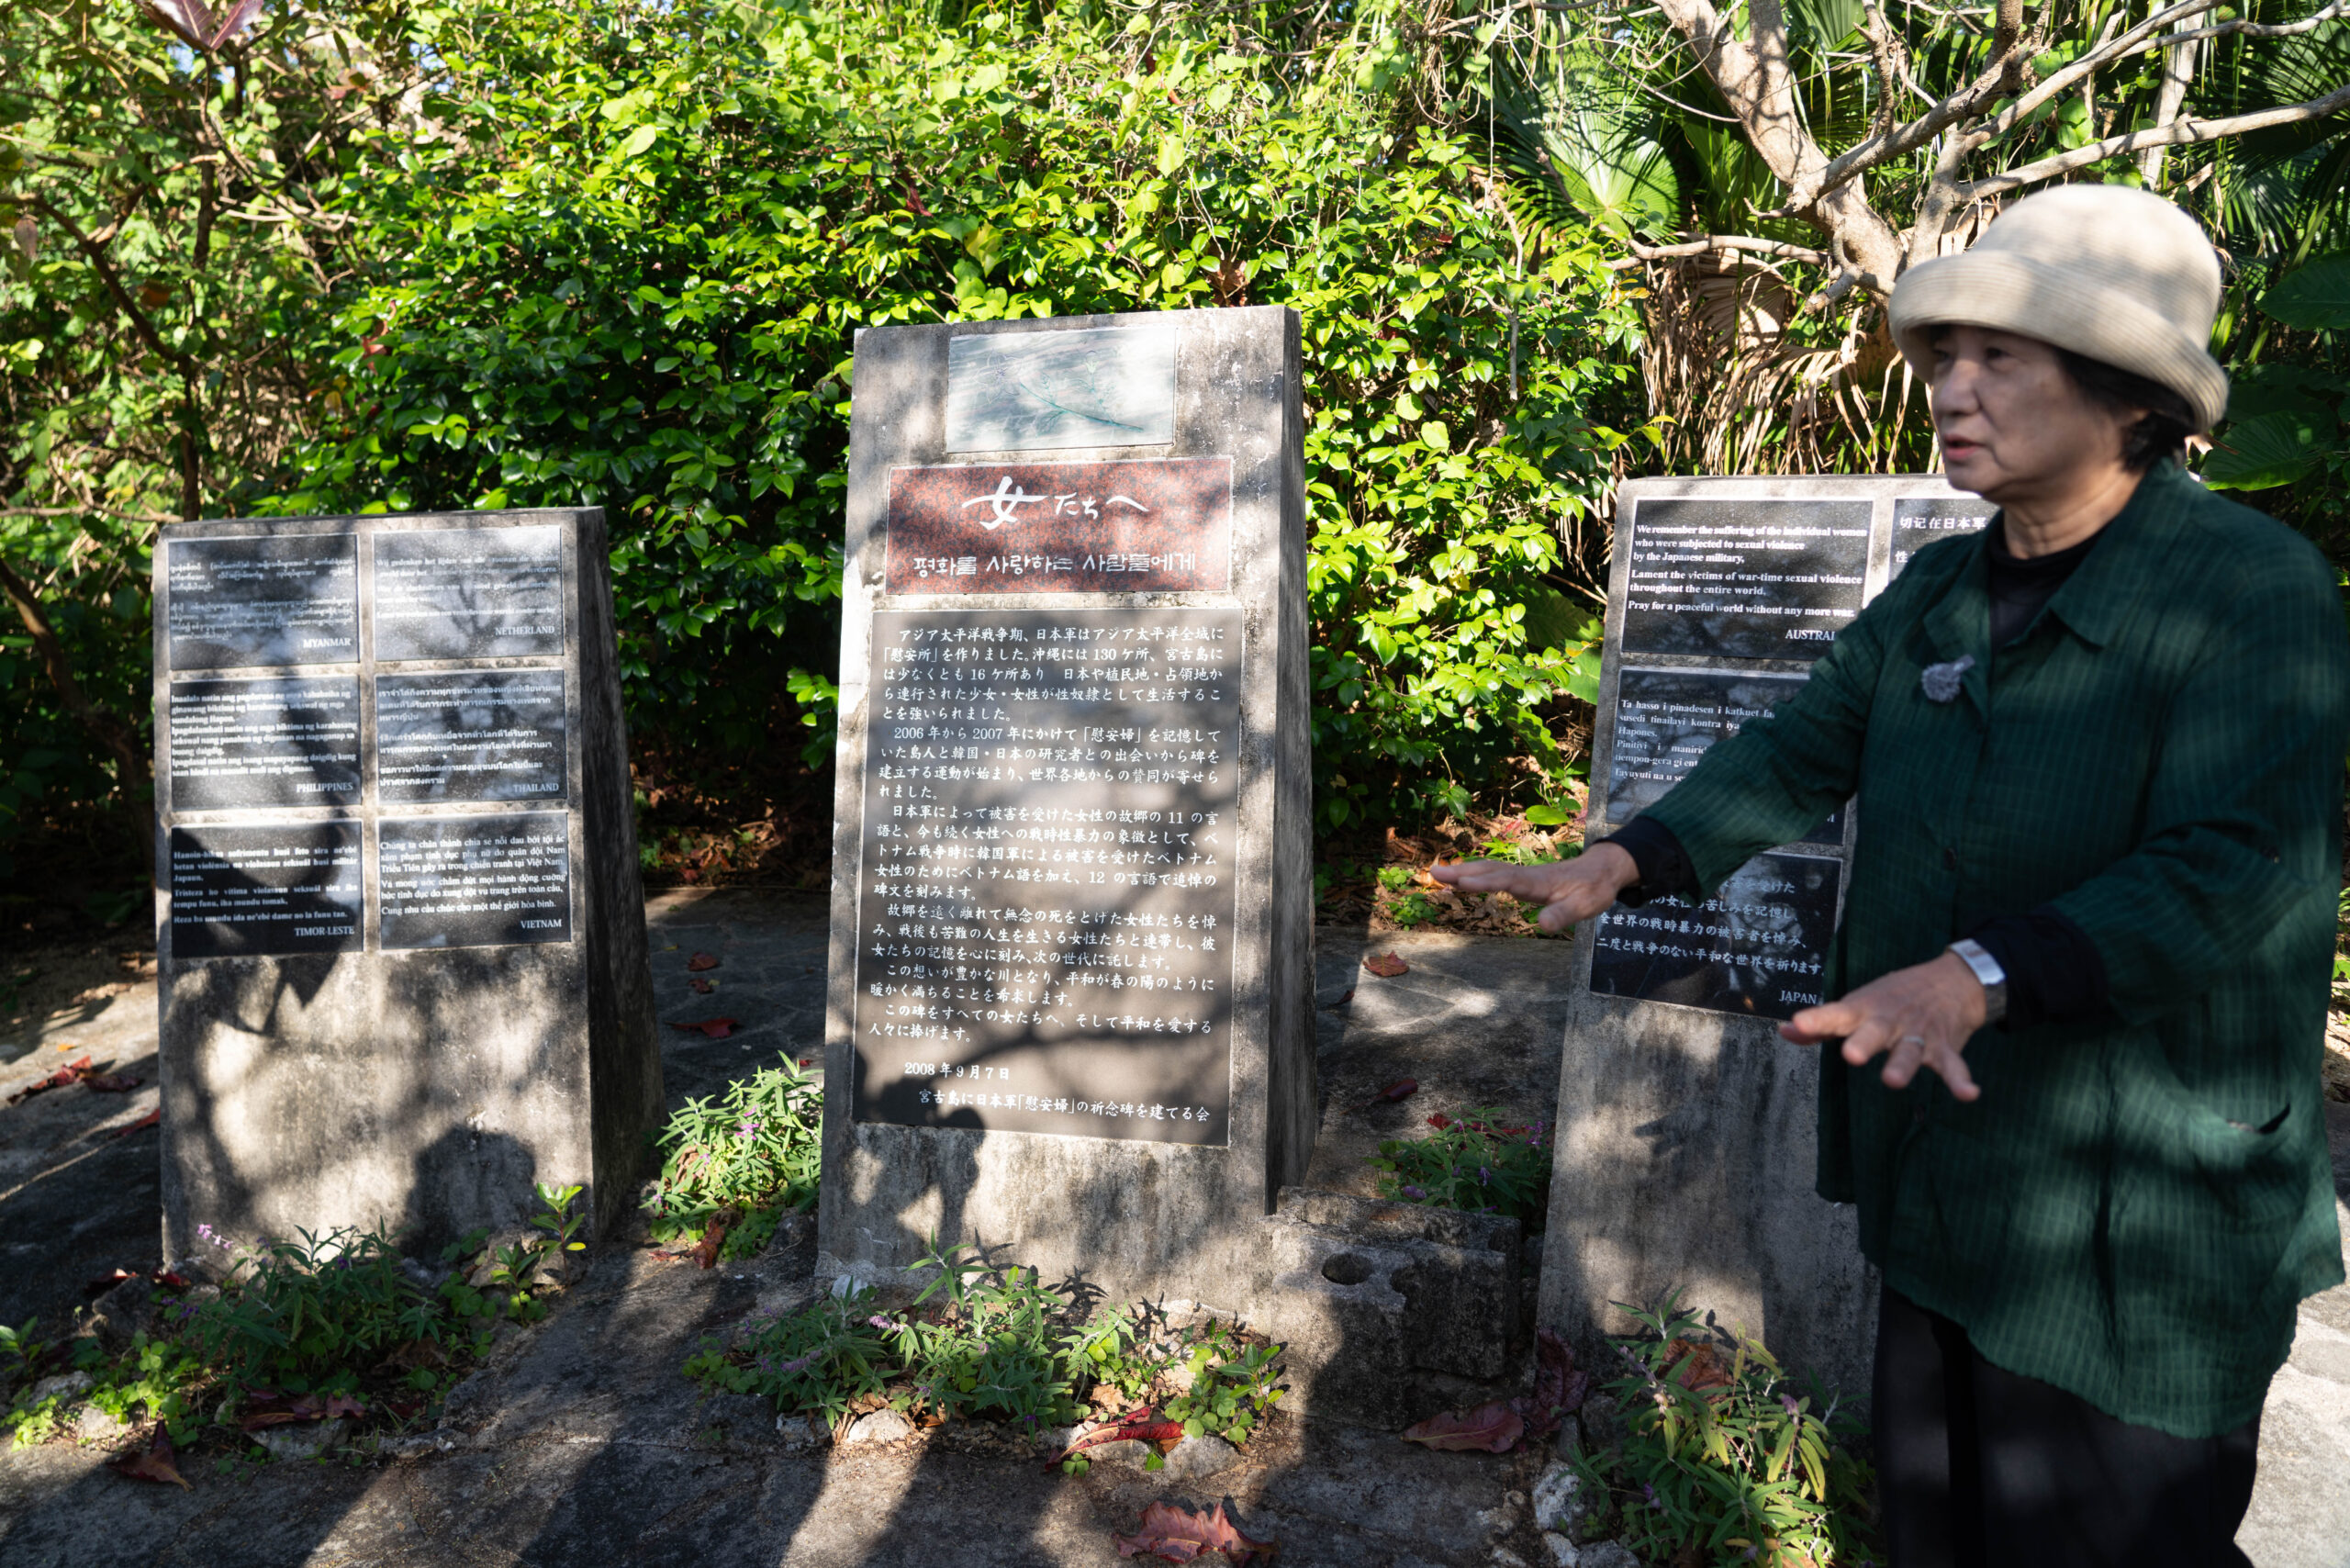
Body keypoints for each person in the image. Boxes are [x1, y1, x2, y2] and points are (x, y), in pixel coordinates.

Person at [1434, 184, 2350, 1567]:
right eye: (1943, 358)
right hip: (1950, 1179)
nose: (1951, 391)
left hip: (2140, 1220)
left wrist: (1981, 974)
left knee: (2113, 1539)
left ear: (2130, 398)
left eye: (2001, 361)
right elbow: (1808, 747)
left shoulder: (2247, 589)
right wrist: (1627, 856)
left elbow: (2235, 866)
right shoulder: (1940, 588)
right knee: (1937, 1528)